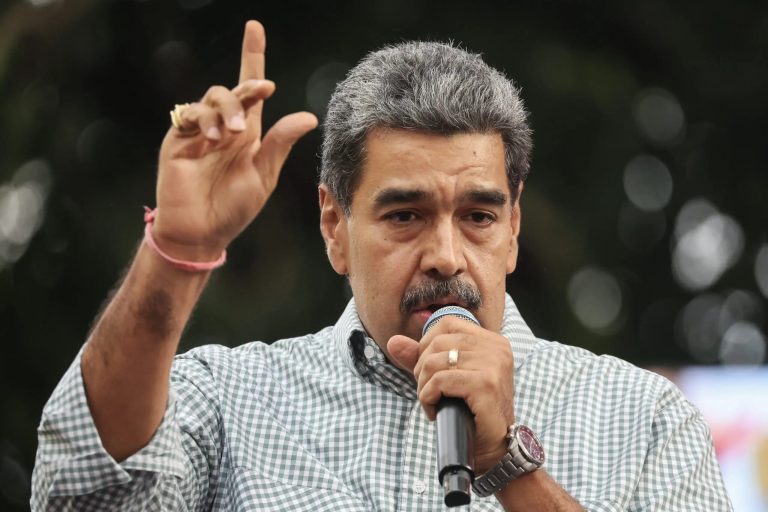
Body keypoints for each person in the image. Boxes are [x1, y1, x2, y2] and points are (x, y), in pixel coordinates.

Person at [31, 20, 732, 511]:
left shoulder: (644, 419)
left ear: (514, 229)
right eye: (405, 216)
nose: (446, 256)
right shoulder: (231, 398)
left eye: (478, 217)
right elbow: (82, 493)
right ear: (334, 226)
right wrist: (178, 254)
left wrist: (508, 465)